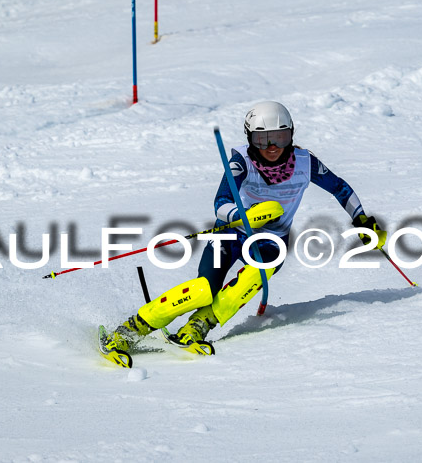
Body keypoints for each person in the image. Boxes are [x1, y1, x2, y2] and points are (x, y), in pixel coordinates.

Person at [100, 101, 386, 363]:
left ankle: (197, 328)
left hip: (271, 243)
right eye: (263, 139)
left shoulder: (305, 162)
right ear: (250, 138)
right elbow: (221, 202)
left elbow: (340, 188)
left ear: (291, 135)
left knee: (249, 279)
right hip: (230, 234)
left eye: (281, 137)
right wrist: (243, 217)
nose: (273, 146)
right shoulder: (241, 163)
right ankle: (129, 330)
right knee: (203, 290)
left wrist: (362, 220)